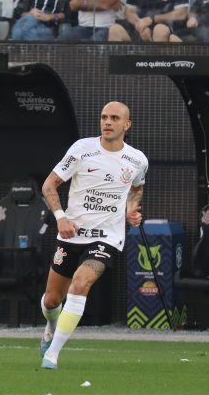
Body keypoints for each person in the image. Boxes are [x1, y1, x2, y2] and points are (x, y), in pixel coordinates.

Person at [39, 101, 148, 369]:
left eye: (114, 118)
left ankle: (52, 353)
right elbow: (49, 185)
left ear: (127, 124)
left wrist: (131, 211)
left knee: (80, 282)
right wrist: (61, 218)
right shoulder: (82, 150)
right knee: (52, 299)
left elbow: (136, 188)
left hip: (106, 239)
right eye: (103, 117)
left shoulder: (137, 160)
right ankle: (52, 323)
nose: (107, 122)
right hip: (71, 234)